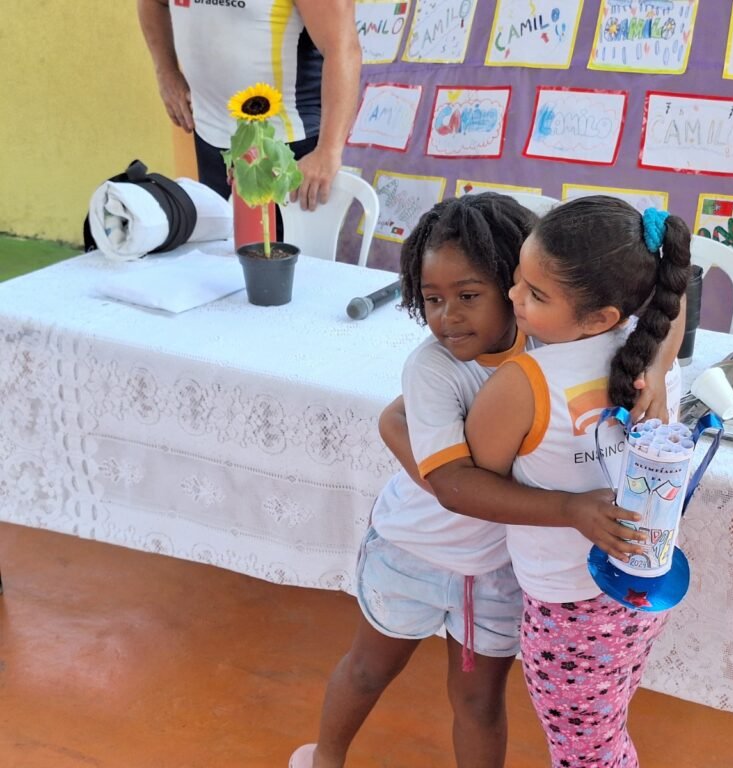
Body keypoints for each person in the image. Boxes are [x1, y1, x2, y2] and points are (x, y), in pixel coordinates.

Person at [289, 194, 651, 768]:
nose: (447, 317)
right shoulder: (433, 366)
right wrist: (571, 509)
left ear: (518, 285)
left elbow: (661, 301)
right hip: (411, 553)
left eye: (468, 297)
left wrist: (655, 364)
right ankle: (323, 758)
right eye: (432, 299)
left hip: (495, 571)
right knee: (367, 668)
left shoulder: (552, 340)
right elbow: (455, 487)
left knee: (480, 702)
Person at [464, 196, 691, 767]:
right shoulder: (654, 355)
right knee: (603, 731)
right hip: (641, 589)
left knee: (585, 753)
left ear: (601, 317)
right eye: (518, 278)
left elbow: (473, 484)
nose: (513, 297)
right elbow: (675, 299)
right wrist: (662, 365)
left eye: (536, 295)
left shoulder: (524, 382)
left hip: (567, 609)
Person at [136, 0, 361, 211]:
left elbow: (343, 49)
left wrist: (328, 151)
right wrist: (166, 72)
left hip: (289, 145)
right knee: (220, 251)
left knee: (283, 251)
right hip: (209, 136)